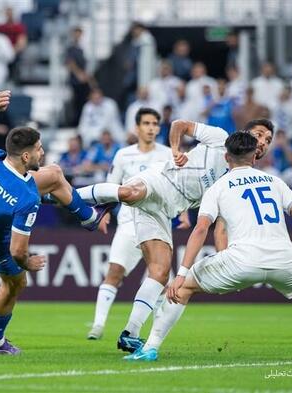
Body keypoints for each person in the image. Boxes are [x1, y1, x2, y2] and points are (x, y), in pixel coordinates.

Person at [126, 132, 292, 361]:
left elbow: (200, 230)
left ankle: (150, 348)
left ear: (227, 157)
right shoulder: (275, 181)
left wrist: (181, 274)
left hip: (240, 261)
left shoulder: (218, 187)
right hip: (284, 259)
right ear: (254, 158)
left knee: (183, 288)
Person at [78, 118, 275, 353]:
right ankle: (68, 196)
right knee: (131, 192)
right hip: (161, 179)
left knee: (160, 272)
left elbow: (220, 226)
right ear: (245, 132)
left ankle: (130, 333)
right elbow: (179, 124)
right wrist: (175, 150)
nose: (262, 142)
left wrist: (226, 260)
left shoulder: (239, 180)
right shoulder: (220, 137)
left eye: (268, 140)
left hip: (168, 209)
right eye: (260, 134)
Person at [0, 91, 114, 354]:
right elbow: (17, 251)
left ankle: (90, 217)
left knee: (56, 174)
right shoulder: (27, 198)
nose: (42, 152)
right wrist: (29, 262)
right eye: (38, 149)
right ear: (26, 157)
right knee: (16, 283)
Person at [86, 108, 175, 340]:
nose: (151, 128)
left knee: (161, 277)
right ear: (137, 128)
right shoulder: (123, 155)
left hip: (158, 223)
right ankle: (98, 325)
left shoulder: (168, 154)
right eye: (146, 123)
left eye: (155, 123)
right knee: (115, 272)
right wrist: (104, 213)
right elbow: (111, 185)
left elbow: (176, 187)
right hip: (128, 222)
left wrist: (182, 213)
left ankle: (155, 331)